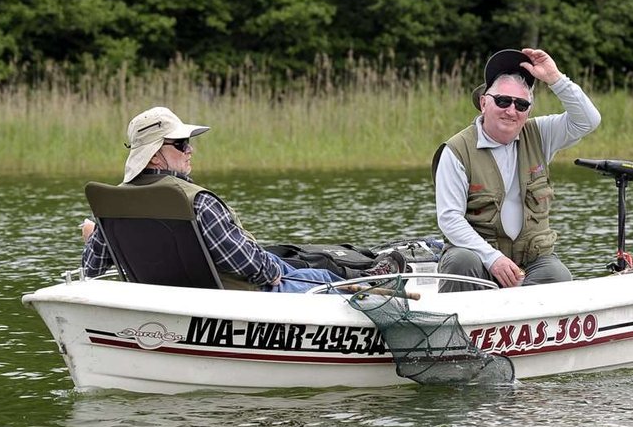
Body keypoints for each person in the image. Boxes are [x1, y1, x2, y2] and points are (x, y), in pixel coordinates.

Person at [81, 106, 405, 292]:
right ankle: (375, 286)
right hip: (239, 293)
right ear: (153, 157)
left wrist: (95, 237)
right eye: (180, 144)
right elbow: (251, 267)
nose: (190, 150)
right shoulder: (196, 202)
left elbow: (91, 270)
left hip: (169, 297)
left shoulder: (110, 207)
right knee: (316, 277)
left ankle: (368, 274)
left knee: (301, 262)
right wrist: (271, 272)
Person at [432, 48, 601, 292]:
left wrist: (555, 78)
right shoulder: (456, 150)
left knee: (557, 275)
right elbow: (449, 218)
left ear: (528, 111)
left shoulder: (541, 134)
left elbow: (588, 120)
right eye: (502, 101)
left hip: (531, 260)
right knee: (461, 261)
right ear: (483, 103)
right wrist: (493, 259)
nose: (511, 111)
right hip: (478, 258)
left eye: (521, 105)